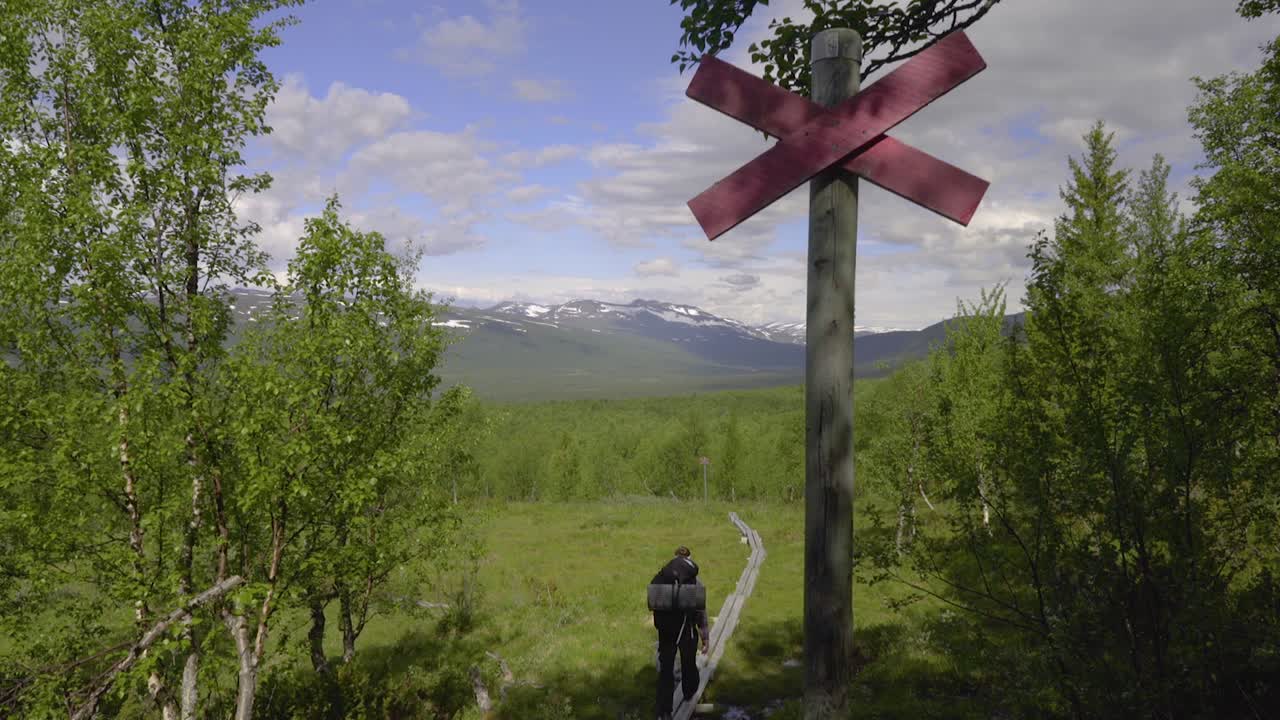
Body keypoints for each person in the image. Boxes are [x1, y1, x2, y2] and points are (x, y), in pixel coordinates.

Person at [651, 546, 709, 720]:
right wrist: (705, 637)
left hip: (666, 630)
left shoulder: (662, 578)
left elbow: (655, 605)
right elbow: (700, 612)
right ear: (689, 559)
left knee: (666, 669)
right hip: (687, 629)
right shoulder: (695, 582)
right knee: (689, 663)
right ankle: (689, 693)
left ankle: (664, 710)